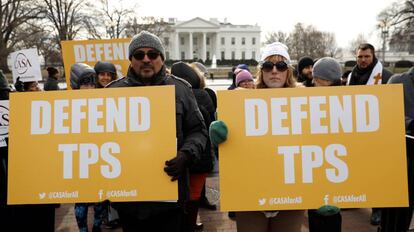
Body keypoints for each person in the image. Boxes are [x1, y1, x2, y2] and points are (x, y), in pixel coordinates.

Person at [106, 30, 208, 232]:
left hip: (170, 195)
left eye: (152, 55)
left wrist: (186, 155)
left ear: (162, 58)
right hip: (129, 198)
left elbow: (198, 130)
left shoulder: (180, 89)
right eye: (139, 55)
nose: (146, 59)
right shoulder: (112, 93)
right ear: (131, 59)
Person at [346, 43, 393, 226]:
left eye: (366, 56)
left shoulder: (387, 76)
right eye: (360, 57)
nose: (363, 60)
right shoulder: (352, 75)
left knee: (377, 170)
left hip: (377, 131)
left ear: (373, 57)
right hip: (356, 130)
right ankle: (355, 198)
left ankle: (378, 209)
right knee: (357, 167)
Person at [171, 61, 215, 232]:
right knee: (194, 196)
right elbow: (210, 124)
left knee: (177, 196)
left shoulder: (171, 93)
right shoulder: (205, 94)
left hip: (177, 154)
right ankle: (191, 224)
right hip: (201, 154)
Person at [69, 63, 105, 232]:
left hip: (99, 155)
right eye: (85, 83)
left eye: (92, 83)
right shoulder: (63, 105)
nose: (90, 87)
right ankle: (83, 230)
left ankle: (97, 227)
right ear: (76, 84)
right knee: (81, 198)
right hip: (78, 158)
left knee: (101, 198)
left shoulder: (102, 102)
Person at [380, 67, 414, 232]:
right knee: (396, 217)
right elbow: (385, 112)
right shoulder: (397, 81)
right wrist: (409, 123)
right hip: (403, 160)